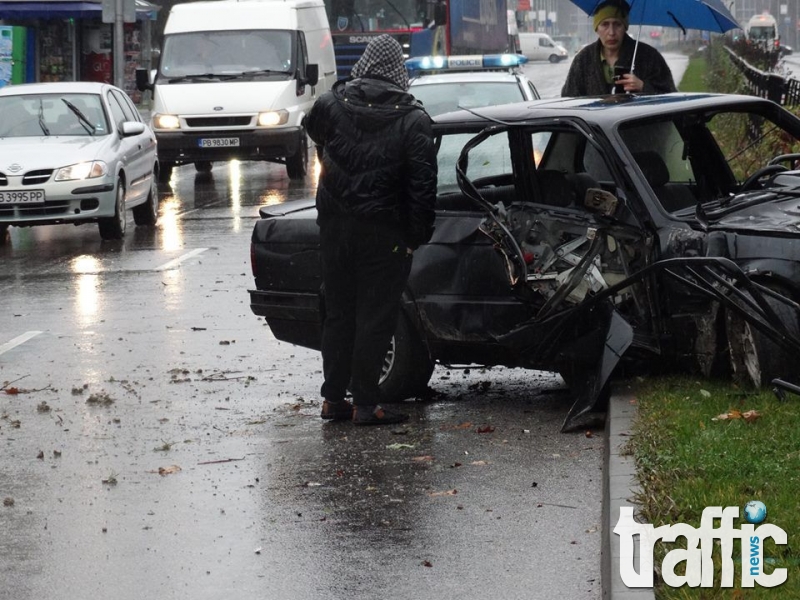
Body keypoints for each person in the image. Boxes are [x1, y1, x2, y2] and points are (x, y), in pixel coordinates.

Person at [305, 35, 437, 426]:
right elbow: (422, 186)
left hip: (335, 230)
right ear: (399, 70)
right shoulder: (413, 119)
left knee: (339, 314)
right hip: (385, 235)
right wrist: (415, 236)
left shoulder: (331, 104)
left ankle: (333, 399)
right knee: (376, 317)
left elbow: (314, 133)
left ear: (364, 64)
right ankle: (366, 402)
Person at [561, 0, 676, 97]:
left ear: (625, 27)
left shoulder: (649, 57)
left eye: (617, 24)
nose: (611, 32)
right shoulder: (583, 60)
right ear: (596, 28)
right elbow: (568, 100)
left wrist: (643, 86)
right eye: (605, 24)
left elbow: (670, 96)